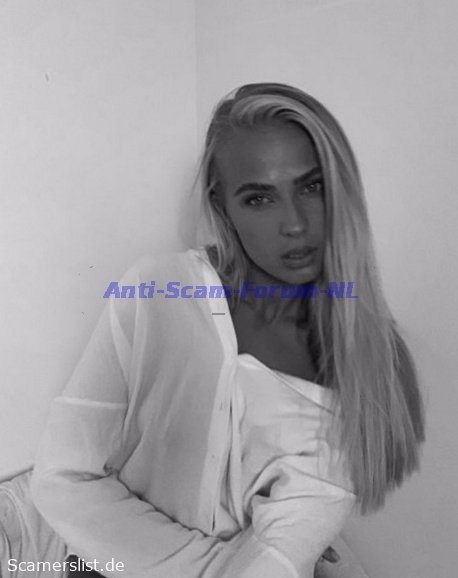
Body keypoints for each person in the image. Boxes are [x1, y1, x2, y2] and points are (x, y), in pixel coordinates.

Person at [30, 82, 425, 578]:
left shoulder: (375, 362)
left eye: (312, 186)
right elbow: (62, 478)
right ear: (223, 206)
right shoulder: (157, 290)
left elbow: (285, 546)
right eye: (259, 198)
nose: (295, 224)